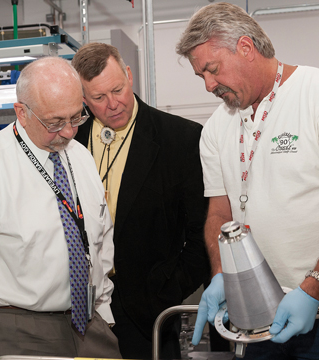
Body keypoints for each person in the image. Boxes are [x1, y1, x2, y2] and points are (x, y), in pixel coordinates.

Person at [176, 2, 319, 359]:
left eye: (212, 69)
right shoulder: (215, 129)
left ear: (245, 47)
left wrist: (314, 287)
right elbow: (219, 214)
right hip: (259, 320)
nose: (209, 85)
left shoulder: (313, 96)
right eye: (201, 76)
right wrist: (221, 274)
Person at [72, 42, 210, 359]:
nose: (113, 104)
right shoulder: (70, 141)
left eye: (117, 89)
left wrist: (166, 290)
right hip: (78, 307)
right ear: (83, 99)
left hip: (147, 312)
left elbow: (202, 230)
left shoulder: (180, 138)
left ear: (129, 75)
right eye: (98, 98)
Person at [0, 56, 121, 358]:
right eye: (55, 122)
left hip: (91, 320)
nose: (68, 132)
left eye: (76, 118)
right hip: (22, 326)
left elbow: (100, 237)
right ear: (22, 113)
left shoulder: (79, 156)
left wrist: (103, 309)